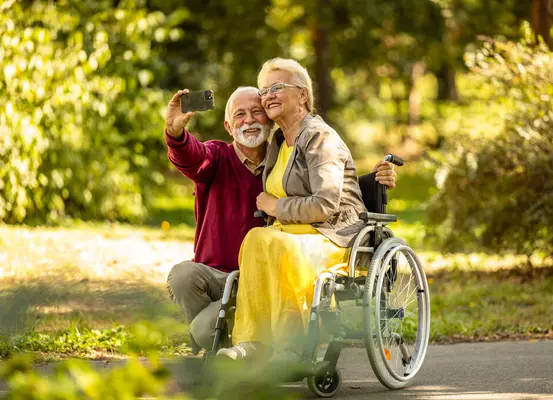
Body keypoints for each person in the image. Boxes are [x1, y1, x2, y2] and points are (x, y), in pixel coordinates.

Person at [165, 86, 398, 355]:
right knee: (183, 275)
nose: (249, 120)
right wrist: (175, 134)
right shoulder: (216, 157)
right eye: (240, 115)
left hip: (264, 276)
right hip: (217, 275)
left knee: (202, 330)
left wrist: (375, 181)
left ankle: (229, 350)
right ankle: (227, 347)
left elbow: (327, 191)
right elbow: (191, 157)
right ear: (229, 126)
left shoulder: (285, 162)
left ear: (269, 119)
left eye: (256, 112)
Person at [217, 58, 376, 361]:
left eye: (277, 87)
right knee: (256, 240)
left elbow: (326, 204)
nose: (268, 96)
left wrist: (276, 205)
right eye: (264, 91)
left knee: (273, 243)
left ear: (303, 95)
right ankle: (252, 343)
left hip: (333, 237)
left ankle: (290, 348)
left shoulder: (320, 137)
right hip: (290, 235)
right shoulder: (278, 141)